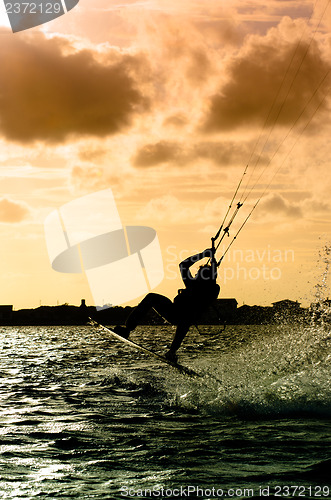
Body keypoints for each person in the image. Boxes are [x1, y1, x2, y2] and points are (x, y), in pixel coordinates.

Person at [114, 248, 220, 362]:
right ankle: (128, 329)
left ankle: (172, 352)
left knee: (186, 319)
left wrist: (206, 258)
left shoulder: (209, 288)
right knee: (151, 297)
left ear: (204, 277)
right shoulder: (196, 283)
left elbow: (201, 276)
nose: (194, 276)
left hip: (187, 316)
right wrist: (203, 255)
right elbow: (183, 265)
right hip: (174, 312)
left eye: (197, 274)